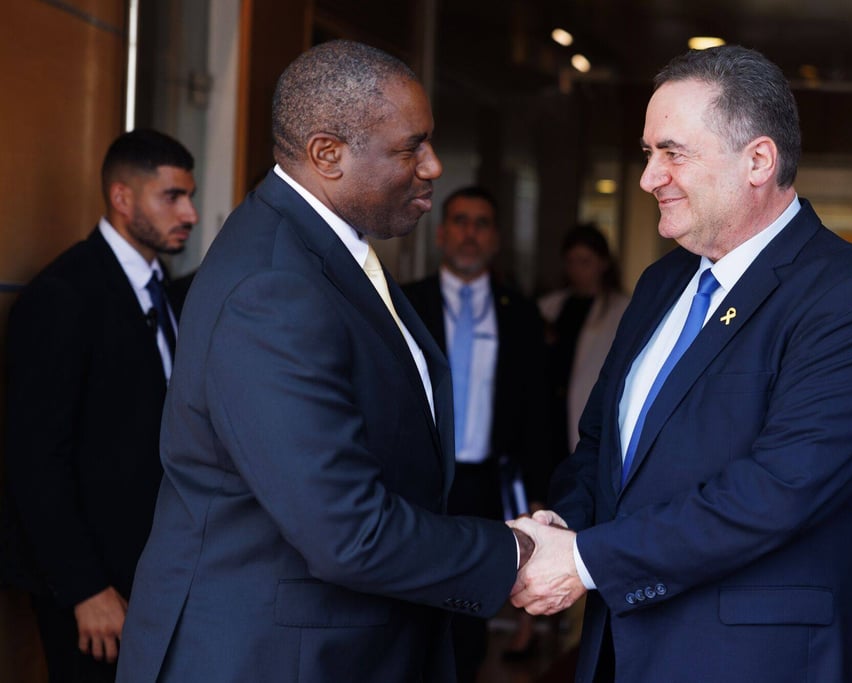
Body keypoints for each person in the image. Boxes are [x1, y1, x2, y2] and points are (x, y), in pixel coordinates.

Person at [115, 40, 534, 683]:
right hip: (269, 658)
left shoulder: (324, 249)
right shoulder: (274, 287)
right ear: (326, 155)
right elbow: (348, 532)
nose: (432, 165)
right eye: (409, 147)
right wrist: (513, 552)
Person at [509, 45, 852, 682]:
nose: (649, 177)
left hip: (760, 662)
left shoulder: (851, 297)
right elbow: (601, 448)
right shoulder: (660, 284)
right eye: (648, 154)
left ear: (758, 160)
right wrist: (564, 525)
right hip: (625, 648)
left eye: (673, 152)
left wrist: (586, 559)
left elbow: (778, 490)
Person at [3, 128, 197, 683]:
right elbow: (36, 459)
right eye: (173, 197)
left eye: (190, 195)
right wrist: (84, 587)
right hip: (93, 583)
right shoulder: (63, 295)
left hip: (156, 567)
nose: (191, 213)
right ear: (122, 197)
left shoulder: (169, 292)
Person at [403, 186, 549, 680]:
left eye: (481, 223)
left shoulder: (520, 313)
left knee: (470, 611)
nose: (470, 233)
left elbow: (537, 412)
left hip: (487, 483)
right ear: (442, 233)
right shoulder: (405, 304)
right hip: (418, 481)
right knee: (410, 606)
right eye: (460, 221)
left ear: (496, 240)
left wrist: (537, 493)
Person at [538, 223, 630, 461]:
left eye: (585, 262)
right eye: (571, 262)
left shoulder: (622, 310)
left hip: (589, 411)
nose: (577, 270)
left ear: (603, 263)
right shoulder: (548, 307)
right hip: (550, 413)